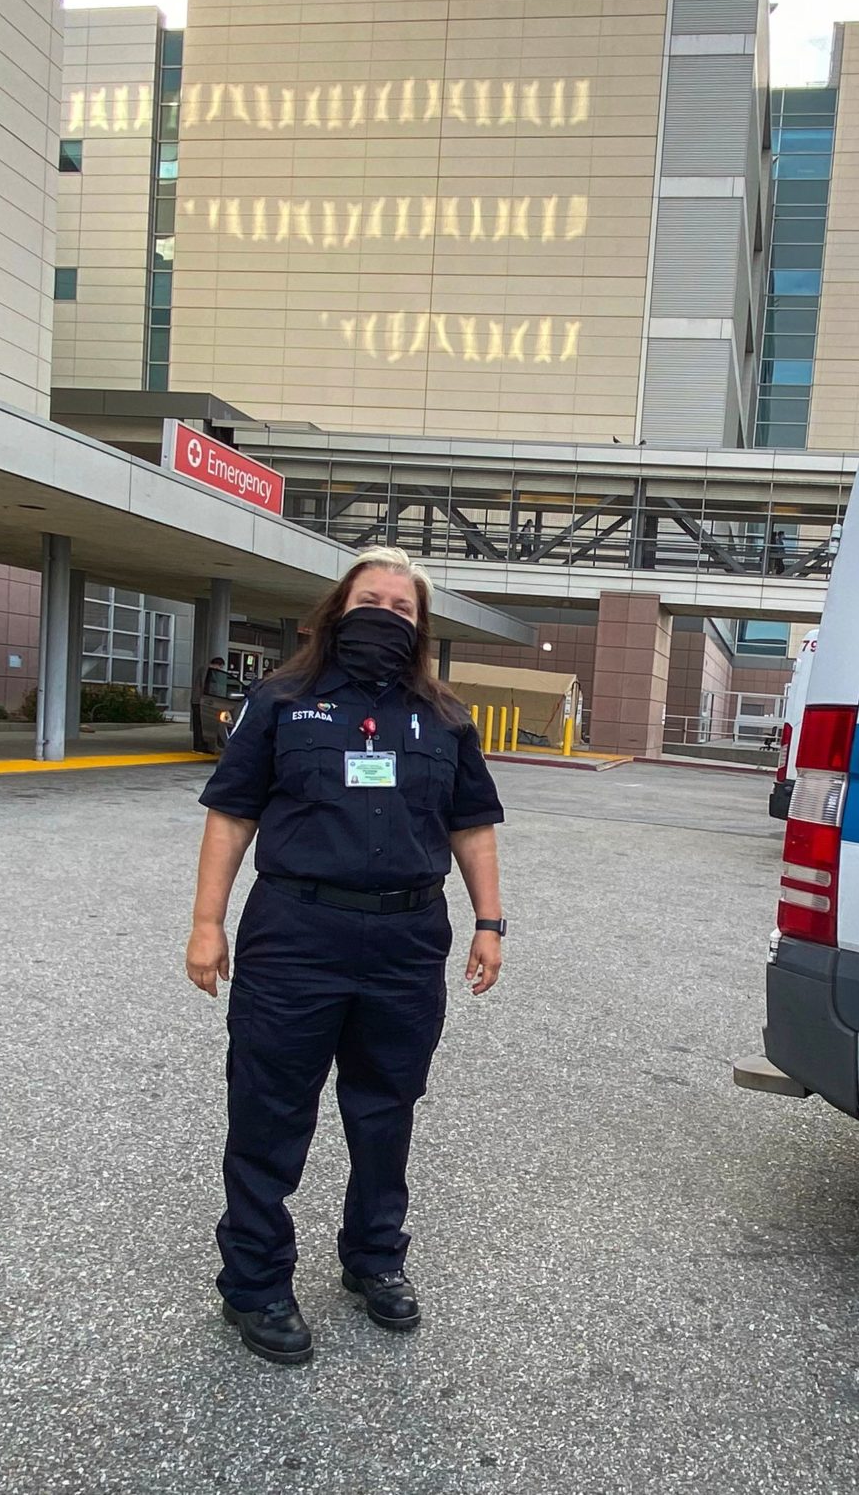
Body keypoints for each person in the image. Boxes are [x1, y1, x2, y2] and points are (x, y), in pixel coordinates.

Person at [185, 546, 507, 1365]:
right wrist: (206, 923)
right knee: (269, 1112)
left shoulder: (444, 717)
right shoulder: (282, 701)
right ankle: (254, 1283)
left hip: (405, 942)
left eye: (402, 608)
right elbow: (231, 814)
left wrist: (490, 922)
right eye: (372, 600)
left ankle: (373, 1260)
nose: (385, 616)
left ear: (420, 627)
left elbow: (472, 823)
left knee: (384, 1110)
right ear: (337, 610)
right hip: (296, 933)